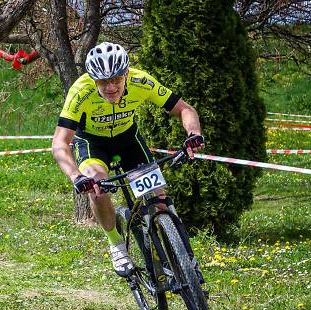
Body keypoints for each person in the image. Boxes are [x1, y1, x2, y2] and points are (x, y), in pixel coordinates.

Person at [51, 42, 204, 277]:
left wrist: (193, 135)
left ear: (126, 74)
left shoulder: (141, 81)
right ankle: (116, 243)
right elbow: (60, 142)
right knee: (98, 188)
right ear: (93, 79)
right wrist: (75, 175)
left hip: (128, 140)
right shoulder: (80, 91)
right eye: (103, 81)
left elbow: (185, 109)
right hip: (93, 144)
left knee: (159, 199)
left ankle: (184, 256)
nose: (110, 87)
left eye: (116, 80)